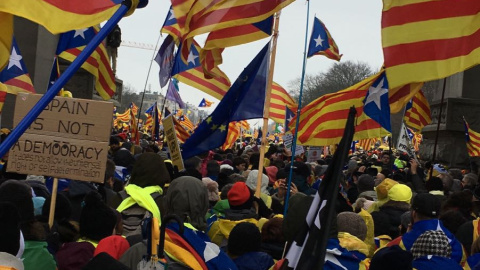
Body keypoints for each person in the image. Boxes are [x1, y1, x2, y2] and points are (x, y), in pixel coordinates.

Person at [387, 193, 466, 264]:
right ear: (439, 215)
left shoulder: (401, 243)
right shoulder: (457, 244)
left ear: (414, 213)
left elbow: (381, 259)